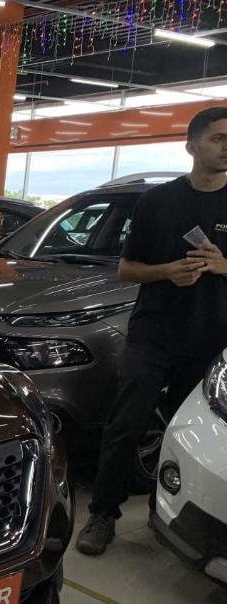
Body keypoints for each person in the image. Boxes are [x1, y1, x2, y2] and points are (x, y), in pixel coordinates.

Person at [76, 106, 227, 556]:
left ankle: (175, 516)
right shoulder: (158, 202)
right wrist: (167, 271)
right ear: (192, 146)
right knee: (125, 425)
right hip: (154, 335)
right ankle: (103, 515)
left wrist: (223, 265)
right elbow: (126, 269)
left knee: (195, 437)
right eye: (218, 138)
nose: (226, 147)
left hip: (212, 340)